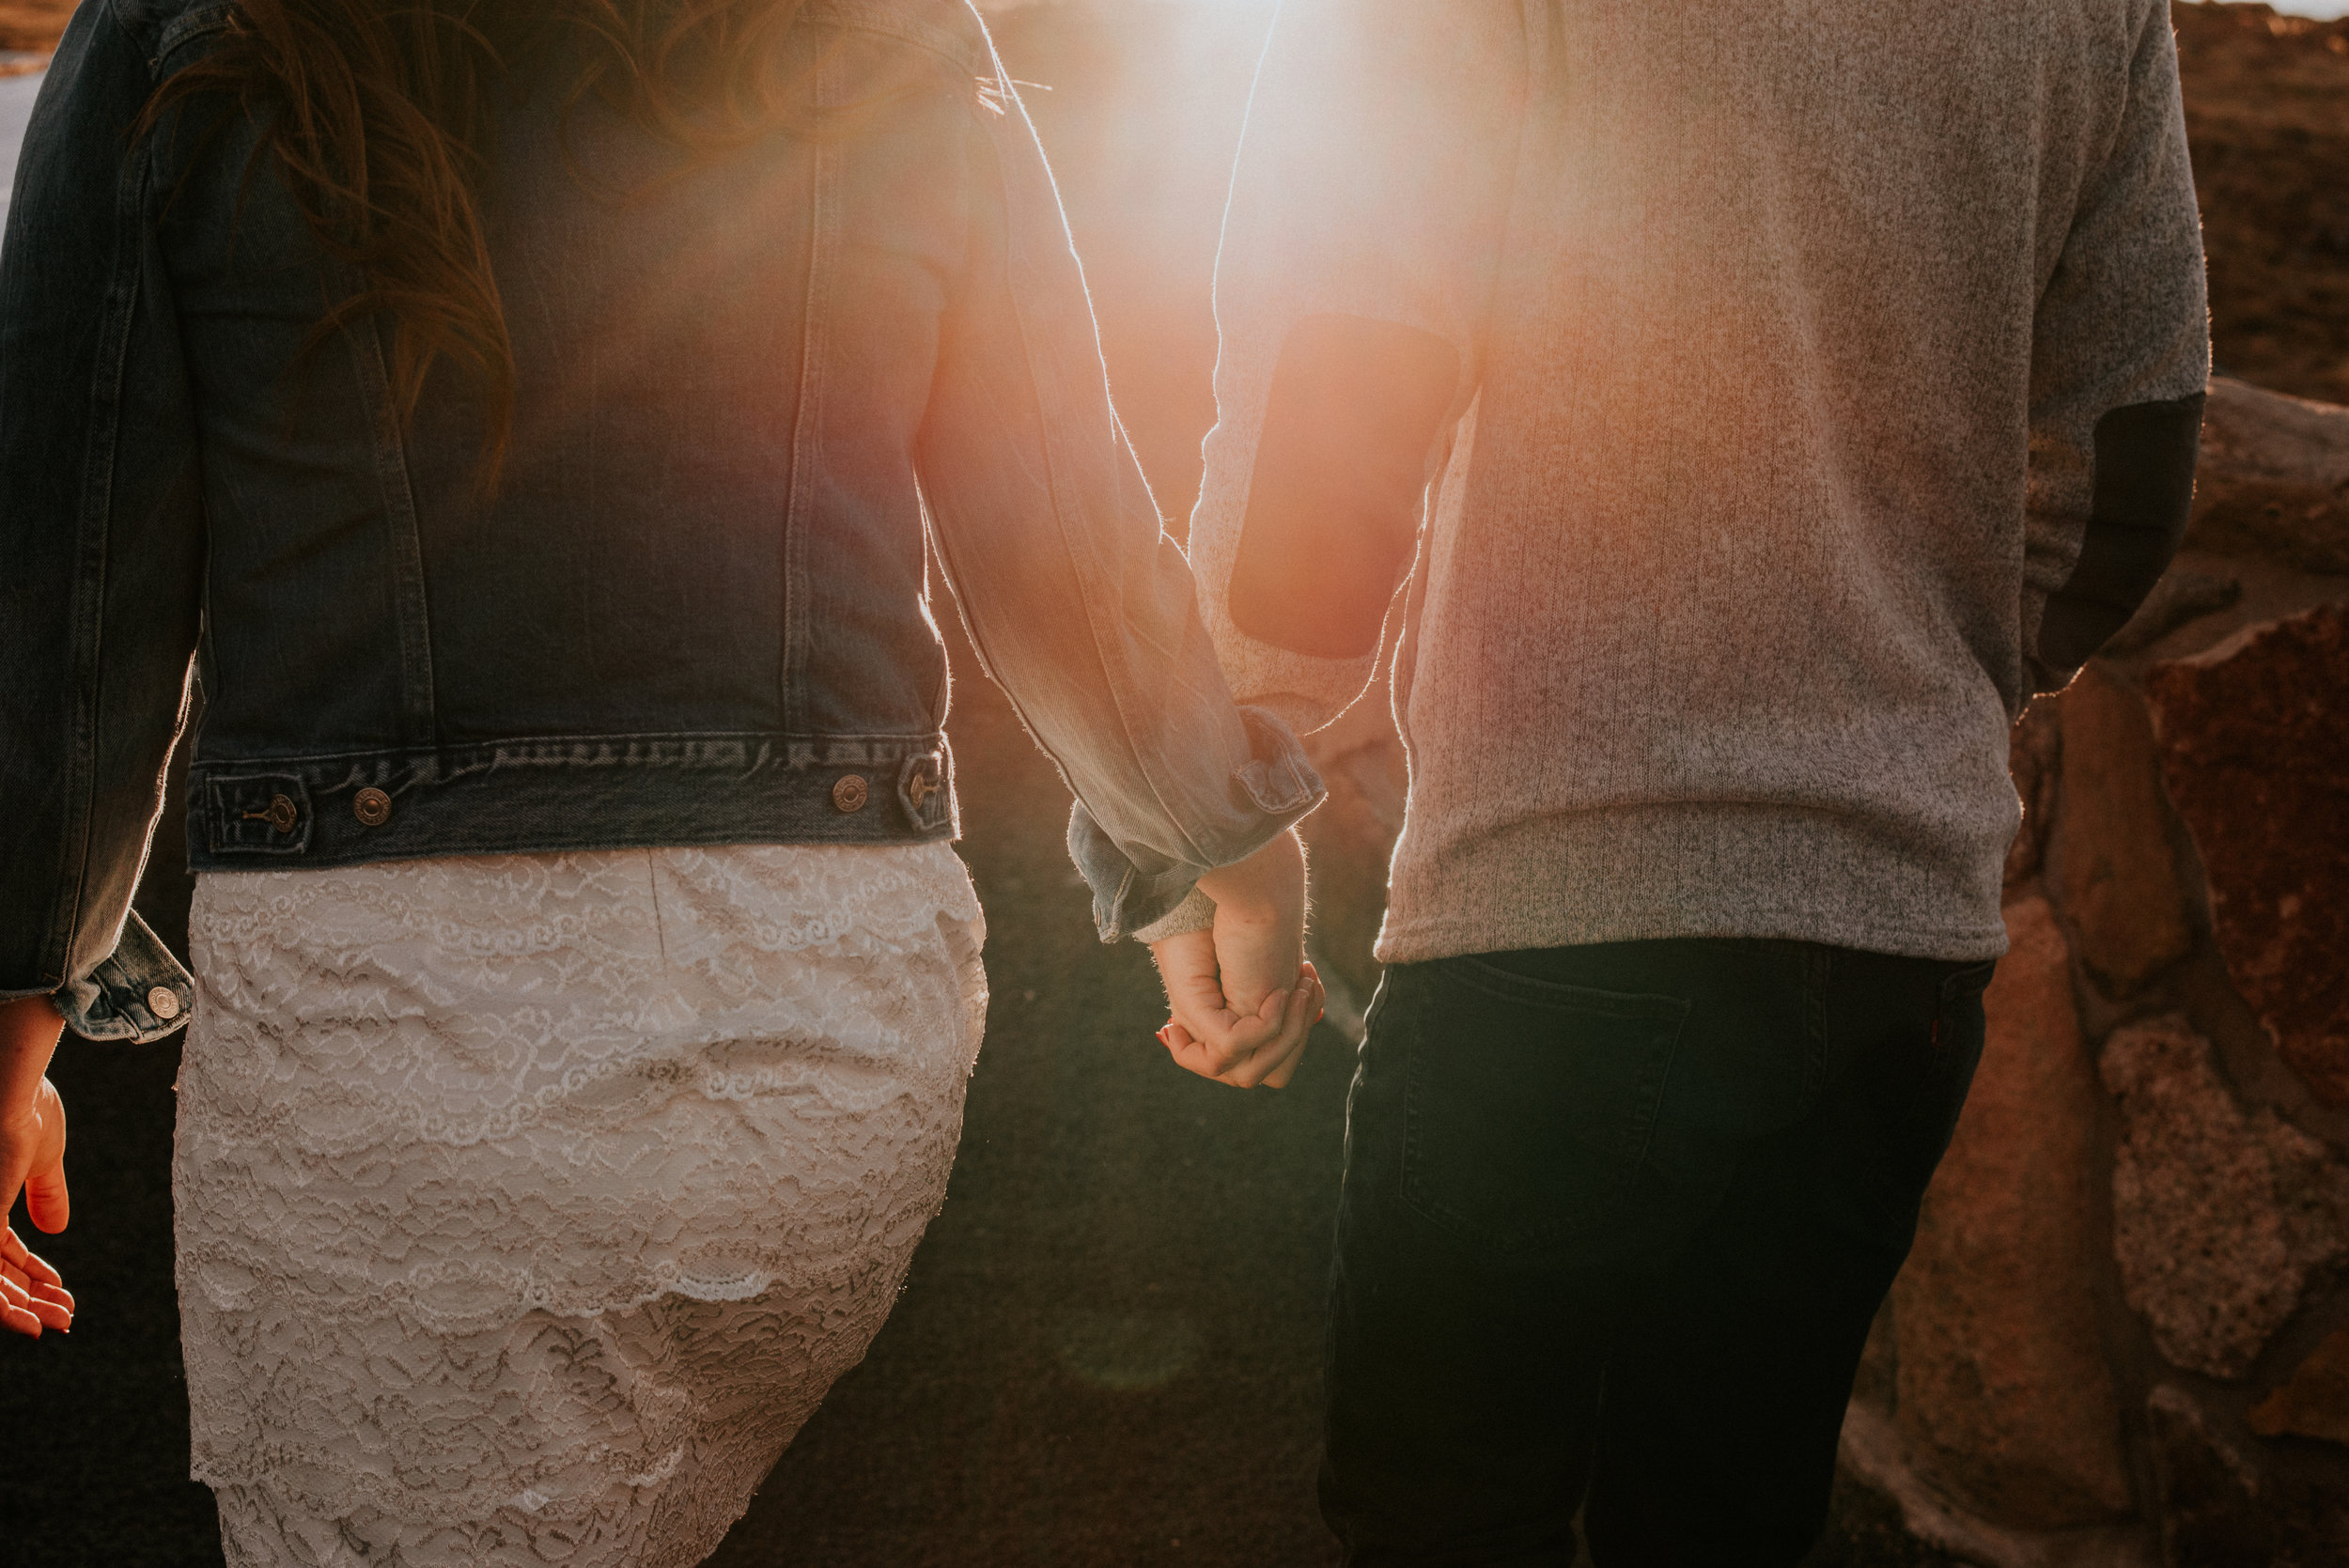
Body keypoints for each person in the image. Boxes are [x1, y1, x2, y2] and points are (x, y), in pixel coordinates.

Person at [0, 0, 1326, 1558]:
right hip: (814, 1032)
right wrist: (1210, 839)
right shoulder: (882, 29)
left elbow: (73, 577)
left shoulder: (186, 31)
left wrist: (19, 1006)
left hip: (395, 1046)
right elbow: (1057, 507)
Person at [1148, 0, 2211, 1561]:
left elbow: (1341, 363)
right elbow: (2134, 442)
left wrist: (1226, 772)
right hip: (1892, 950)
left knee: (1440, 1518)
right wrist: (1912, 693)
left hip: (1555, 905)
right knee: (1726, 1519)